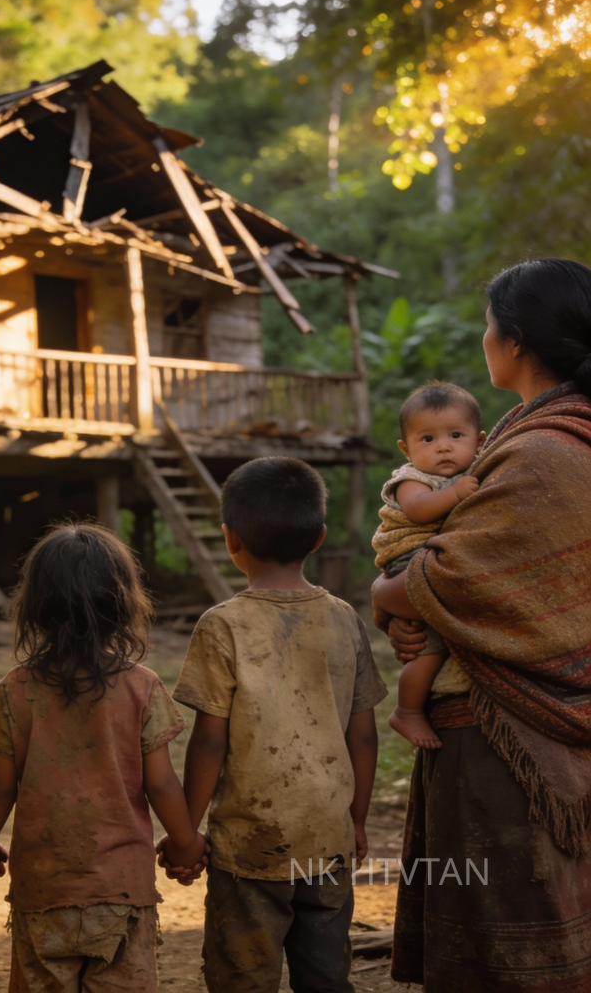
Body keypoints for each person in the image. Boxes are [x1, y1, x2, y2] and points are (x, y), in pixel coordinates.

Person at [373, 258, 591, 992]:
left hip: (506, 731)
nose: (485, 337)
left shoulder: (538, 453)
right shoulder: (544, 435)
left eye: (489, 325)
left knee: (506, 944)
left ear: (516, 341)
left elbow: (447, 578)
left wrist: (391, 591)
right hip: (546, 718)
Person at [0, 523, 206, 993]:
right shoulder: (142, 686)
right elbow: (162, 785)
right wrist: (187, 843)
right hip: (122, 889)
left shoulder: (18, 687)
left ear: (35, 607)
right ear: (124, 603)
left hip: (43, 892)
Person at [169, 457, 387, 993]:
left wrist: (187, 833)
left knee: (242, 976)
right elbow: (363, 733)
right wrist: (355, 821)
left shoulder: (223, 625)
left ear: (229, 538)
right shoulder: (343, 618)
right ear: (318, 538)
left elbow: (209, 741)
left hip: (247, 846)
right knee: (326, 974)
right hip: (327, 839)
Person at [371, 381, 485, 749]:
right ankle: (407, 710)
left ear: (479, 441)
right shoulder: (411, 479)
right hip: (408, 553)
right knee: (430, 647)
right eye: (427, 439)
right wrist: (454, 493)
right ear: (406, 449)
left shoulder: (478, 469)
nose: (443, 447)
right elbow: (419, 510)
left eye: (455, 435)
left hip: (433, 553)